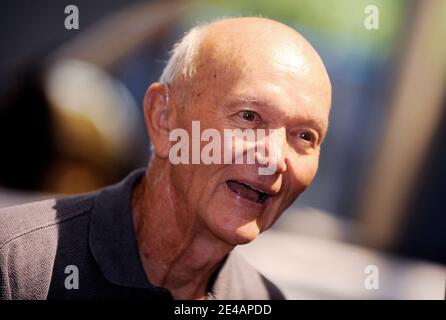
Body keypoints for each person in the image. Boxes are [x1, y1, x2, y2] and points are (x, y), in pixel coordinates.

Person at [0, 17, 331, 300]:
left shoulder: (261, 299)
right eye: (248, 116)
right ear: (164, 117)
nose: (273, 158)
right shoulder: (18, 265)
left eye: (304, 136)